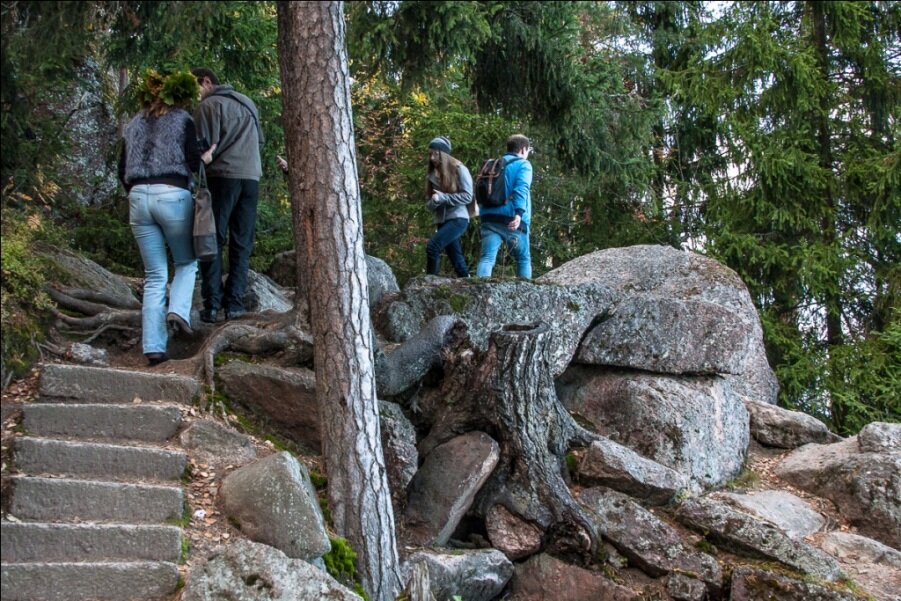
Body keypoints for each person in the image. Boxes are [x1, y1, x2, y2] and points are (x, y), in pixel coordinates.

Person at [119, 69, 206, 365]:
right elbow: (194, 163)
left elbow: (122, 168)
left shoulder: (132, 124)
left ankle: (154, 347)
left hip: (137, 197)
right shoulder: (183, 120)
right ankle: (179, 310)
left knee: (155, 275)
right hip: (172, 193)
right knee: (186, 261)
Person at [191, 67, 264, 322]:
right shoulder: (248, 103)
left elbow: (201, 147)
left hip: (222, 177)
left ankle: (212, 305)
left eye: (195, 87)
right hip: (251, 177)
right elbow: (259, 142)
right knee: (242, 242)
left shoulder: (209, 106)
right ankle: (234, 304)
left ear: (207, 82)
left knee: (213, 238)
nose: (195, 95)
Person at [475, 134, 534, 279]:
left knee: (487, 258)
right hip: (511, 219)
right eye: (528, 151)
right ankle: (527, 295)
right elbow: (521, 189)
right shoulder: (523, 164)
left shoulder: (493, 165)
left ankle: (480, 293)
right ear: (523, 149)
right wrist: (519, 214)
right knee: (523, 259)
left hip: (488, 217)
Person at [425, 136, 474, 277]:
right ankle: (467, 282)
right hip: (442, 221)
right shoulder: (432, 175)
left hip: (458, 219)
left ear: (444, 154)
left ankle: (428, 284)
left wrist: (443, 198)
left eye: (436, 153)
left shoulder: (459, 169)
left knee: (432, 247)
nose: (432, 158)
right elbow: (429, 204)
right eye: (430, 154)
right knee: (456, 260)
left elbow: (467, 196)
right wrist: (435, 201)